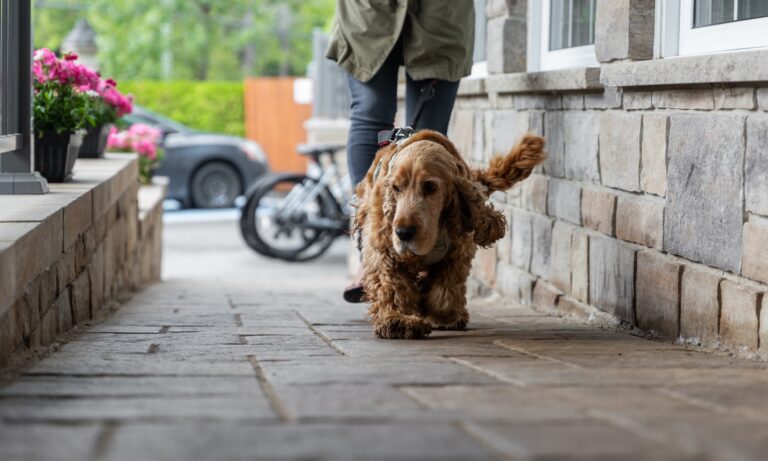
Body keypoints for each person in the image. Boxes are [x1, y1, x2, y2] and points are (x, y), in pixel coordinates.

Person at [326, 0, 476, 303]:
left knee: (428, 138)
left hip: (441, 11)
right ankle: (371, 254)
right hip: (369, 10)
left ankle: (425, 258)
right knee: (371, 114)